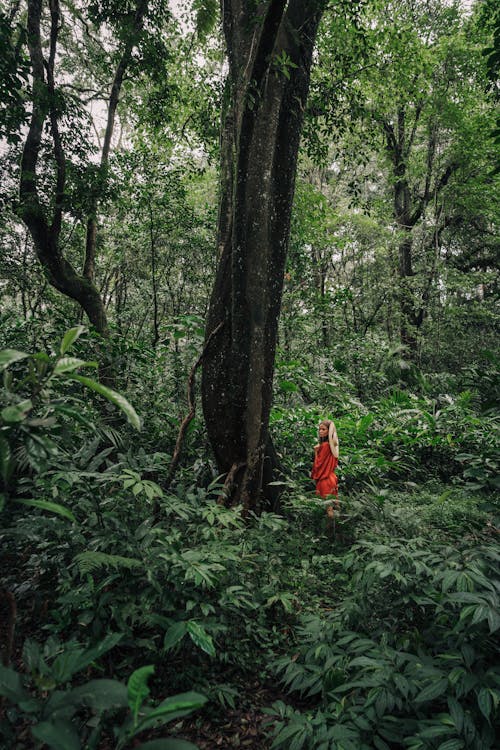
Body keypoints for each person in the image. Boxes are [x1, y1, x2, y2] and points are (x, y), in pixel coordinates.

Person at [311, 419, 339, 520]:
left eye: (323, 429)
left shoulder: (325, 445)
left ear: (329, 431)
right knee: (335, 505)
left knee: (329, 509)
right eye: (319, 429)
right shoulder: (330, 445)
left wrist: (315, 452)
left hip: (325, 480)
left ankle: (331, 532)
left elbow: (318, 465)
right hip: (332, 477)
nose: (320, 431)